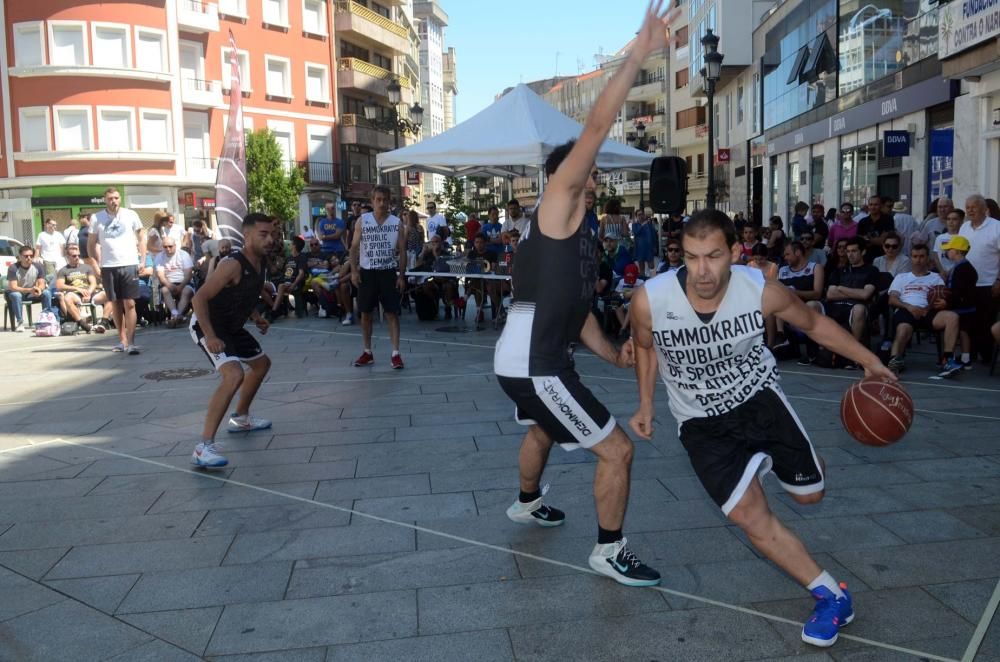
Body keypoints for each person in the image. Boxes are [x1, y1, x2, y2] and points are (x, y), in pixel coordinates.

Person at [629, 208, 896, 648]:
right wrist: (645, 403)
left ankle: (802, 461)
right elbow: (644, 347)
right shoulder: (650, 299)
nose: (701, 271)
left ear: (735, 252)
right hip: (700, 423)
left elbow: (815, 324)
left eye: (713, 256)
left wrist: (871, 363)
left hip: (760, 402)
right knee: (751, 517)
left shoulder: (761, 291)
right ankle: (831, 596)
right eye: (692, 257)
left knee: (810, 497)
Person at [493, 2, 673, 589]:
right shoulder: (559, 201)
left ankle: (524, 501)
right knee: (618, 450)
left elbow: (576, 316)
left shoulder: (582, 231)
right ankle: (608, 550)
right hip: (536, 363)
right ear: (567, 174)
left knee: (544, 428)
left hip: (533, 355)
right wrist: (638, 55)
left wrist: (614, 350)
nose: (594, 174)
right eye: (585, 169)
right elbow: (594, 128)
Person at [188, 213, 274, 468]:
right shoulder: (232, 264)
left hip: (232, 325)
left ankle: (240, 417)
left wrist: (256, 316)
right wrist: (211, 336)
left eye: (272, 234)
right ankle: (203, 447)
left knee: (261, 364)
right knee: (233, 375)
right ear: (246, 236)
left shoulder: (261, 261)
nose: (270, 239)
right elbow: (198, 299)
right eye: (263, 234)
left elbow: (245, 291)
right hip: (209, 325)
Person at [350, 185, 408, 369]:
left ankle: (396, 353)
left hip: (388, 271)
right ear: (372, 201)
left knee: (392, 313)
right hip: (367, 272)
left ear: (389, 201)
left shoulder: (396, 223)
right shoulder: (362, 221)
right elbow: (353, 248)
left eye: (385, 199)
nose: (382, 203)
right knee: (365, 313)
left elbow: (402, 251)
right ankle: (367, 352)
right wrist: (354, 271)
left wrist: (401, 275)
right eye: (378, 199)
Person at [887, 244, 961, 377]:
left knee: (952, 317)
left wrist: (938, 304)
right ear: (911, 258)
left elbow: (941, 298)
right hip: (907, 309)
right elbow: (892, 299)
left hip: (929, 311)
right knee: (903, 328)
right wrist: (910, 307)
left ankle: (947, 360)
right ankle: (894, 362)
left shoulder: (936, 278)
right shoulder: (901, 277)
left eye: (922, 256)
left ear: (927, 258)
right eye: (915, 256)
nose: (918, 260)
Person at [88, 187, 145, 354]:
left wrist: (142, 260)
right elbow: (91, 244)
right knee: (115, 303)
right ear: (105, 200)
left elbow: (142, 237)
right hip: (108, 265)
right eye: (110, 198)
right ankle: (122, 341)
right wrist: (95, 265)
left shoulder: (130, 215)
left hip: (129, 264)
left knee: (130, 303)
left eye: (116, 198)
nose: (114, 201)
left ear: (120, 199)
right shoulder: (96, 218)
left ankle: (132, 342)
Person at [959, 194, 1000, 364]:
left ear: (984, 209)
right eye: (967, 207)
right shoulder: (964, 228)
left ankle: (987, 357)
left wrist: (999, 280)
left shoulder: (997, 227)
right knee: (969, 321)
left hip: (989, 283)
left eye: (974, 207)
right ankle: (971, 354)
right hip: (968, 285)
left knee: (986, 322)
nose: (970, 210)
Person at [825, 237, 878, 354]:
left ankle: (854, 354)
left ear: (863, 252)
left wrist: (841, 288)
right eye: (848, 251)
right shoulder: (838, 271)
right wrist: (855, 293)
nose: (850, 254)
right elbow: (830, 294)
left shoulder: (871, 270)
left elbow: (865, 295)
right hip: (835, 307)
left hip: (856, 308)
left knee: (859, 309)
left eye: (854, 251)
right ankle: (817, 352)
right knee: (813, 305)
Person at [778, 241, 826, 365]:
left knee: (811, 305)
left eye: (788, 254)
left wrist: (795, 292)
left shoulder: (815, 267)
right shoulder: (782, 270)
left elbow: (817, 293)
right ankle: (779, 340)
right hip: (789, 307)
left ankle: (812, 352)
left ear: (798, 252)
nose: (785, 257)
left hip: (812, 306)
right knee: (773, 304)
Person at [940, 235, 978, 370]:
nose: (947, 252)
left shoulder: (962, 268)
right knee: (963, 332)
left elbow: (957, 290)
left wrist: (948, 300)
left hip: (962, 307)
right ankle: (964, 358)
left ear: (958, 251)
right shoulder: (962, 267)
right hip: (965, 306)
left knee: (962, 332)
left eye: (950, 249)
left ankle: (965, 359)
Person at [4, 245, 51, 332]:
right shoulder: (13, 268)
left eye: (31, 256)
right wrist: (30, 290)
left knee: (47, 293)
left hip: (31, 293)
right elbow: (13, 287)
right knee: (16, 295)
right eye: (26, 256)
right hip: (14, 293)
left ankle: (46, 320)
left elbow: (42, 283)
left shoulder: (38, 266)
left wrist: (39, 289)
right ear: (20, 257)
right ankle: (20, 323)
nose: (29, 258)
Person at [55, 244, 97, 333]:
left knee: (109, 295)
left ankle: (104, 321)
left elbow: (93, 283)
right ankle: (81, 322)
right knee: (67, 298)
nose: (77, 257)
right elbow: (59, 286)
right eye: (74, 256)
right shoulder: (63, 270)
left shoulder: (87, 267)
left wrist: (88, 292)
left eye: (78, 255)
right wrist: (77, 289)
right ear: (68, 257)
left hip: (89, 292)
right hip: (75, 294)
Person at [155, 238, 195, 327]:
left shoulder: (183, 255)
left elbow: (188, 274)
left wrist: (180, 287)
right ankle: (175, 314)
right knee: (165, 291)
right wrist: (170, 285)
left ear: (175, 246)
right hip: (168, 282)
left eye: (170, 246)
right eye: (165, 247)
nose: (168, 249)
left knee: (186, 291)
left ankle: (175, 316)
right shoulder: (159, 257)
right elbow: (161, 276)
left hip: (184, 282)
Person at [857, 195, 894, 263]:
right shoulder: (863, 222)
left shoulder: (888, 220)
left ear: (881, 206)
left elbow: (883, 241)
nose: (873, 207)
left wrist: (867, 239)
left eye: (876, 205)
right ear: (868, 206)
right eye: (871, 204)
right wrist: (876, 240)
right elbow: (860, 241)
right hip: (866, 258)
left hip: (883, 257)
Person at [931, 209, 965, 277]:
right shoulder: (940, 238)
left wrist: (951, 271)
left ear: (961, 222)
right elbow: (936, 255)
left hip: (958, 274)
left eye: (954, 219)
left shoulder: (963, 237)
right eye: (948, 219)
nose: (951, 222)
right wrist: (942, 271)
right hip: (943, 274)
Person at [631, 209, 657, 276]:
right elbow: (636, 232)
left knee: (652, 267)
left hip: (649, 248)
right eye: (639, 215)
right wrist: (642, 225)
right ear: (636, 216)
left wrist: (655, 245)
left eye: (642, 214)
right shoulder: (634, 225)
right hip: (640, 249)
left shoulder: (649, 224)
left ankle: (653, 281)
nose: (641, 216)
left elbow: (653, 235)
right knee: (641, 268)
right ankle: (643, 281)